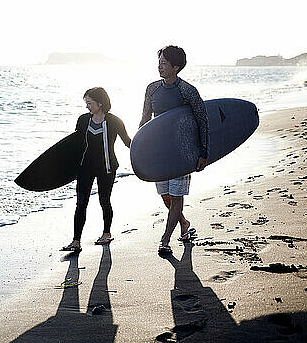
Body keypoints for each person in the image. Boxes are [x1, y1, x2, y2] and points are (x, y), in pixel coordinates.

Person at [139, 45, 209, 255]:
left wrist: (203, 152)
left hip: (182, 152)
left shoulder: (187, 91)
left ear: (176, 67)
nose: (159, 66)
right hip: (159, 153)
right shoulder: (152, 88)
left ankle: (166, 238)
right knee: (165, 196)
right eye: (159, 62)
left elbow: (202, 121)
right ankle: (184, 223)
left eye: (163, 63)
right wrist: (139, 147)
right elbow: (145, 119)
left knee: (177, 197)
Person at [62, 87, 131, 253]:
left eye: (89, 103)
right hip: (85, 167)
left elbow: (128, 143)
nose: (87, 106)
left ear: (100, 103)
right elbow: (75, 144)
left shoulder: (114, 121)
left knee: (104, 200)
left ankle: (106, 233)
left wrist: (147, 151)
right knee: (81, 203)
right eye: (86, 103)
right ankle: (76, 241)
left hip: (107, 167)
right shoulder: (83, 120)